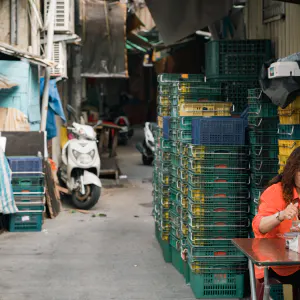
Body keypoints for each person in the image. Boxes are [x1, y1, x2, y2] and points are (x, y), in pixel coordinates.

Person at [252, 147, 300, 297]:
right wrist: (281, 215)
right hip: (277, 264)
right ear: (293, 171)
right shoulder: (276, 192)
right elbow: (259, 226)